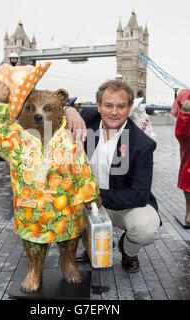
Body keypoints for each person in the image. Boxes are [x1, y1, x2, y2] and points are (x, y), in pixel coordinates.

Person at [64, 80, 161, 272]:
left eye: (121, 106)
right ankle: (93, 244)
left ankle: (128, 251)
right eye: (108, 105)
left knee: (146, 228)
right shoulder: (86, 119)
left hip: (124, 204)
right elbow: (48, 107)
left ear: (129, 108)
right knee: (60, 204)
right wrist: (68, 109)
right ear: (98, 106)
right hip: (87, 202)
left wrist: (94, 196)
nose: (114, 112)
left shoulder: (142, 144)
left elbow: (139, 195)